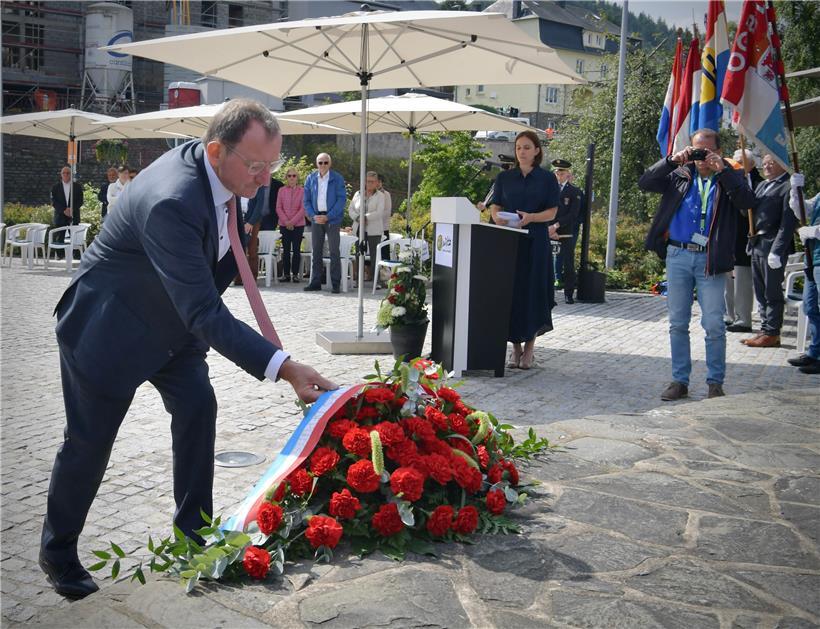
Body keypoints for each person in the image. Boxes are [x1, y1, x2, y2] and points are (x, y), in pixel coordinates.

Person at [39, 99, 336, 600]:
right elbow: (204, 309)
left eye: (273, 165)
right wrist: (283, 367)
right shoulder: (172, 199)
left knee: (199, 406)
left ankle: (193, 535)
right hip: (109, 330)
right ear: (216, 150)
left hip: (174, 329)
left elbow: (214, 270)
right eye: (257, 166)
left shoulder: (236, 177)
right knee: (90, 443)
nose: (265, 180)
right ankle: (58, 551)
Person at [640, 128, 755, 401]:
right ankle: (680, 380)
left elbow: (748, 201)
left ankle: (715, 382)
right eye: (696, 151)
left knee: (714, 323)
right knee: (677, 323)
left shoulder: (729, 177)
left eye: (706, 151)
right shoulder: (679, 175)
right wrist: (672, 160)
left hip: (710, 259)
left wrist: (724, 170)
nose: (701, 157)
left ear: (717, 151)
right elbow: (645, 182)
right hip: (678, 255)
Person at [489, 130, 559, 371]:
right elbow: (495, 206)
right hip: (510, 241)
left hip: (536, 240)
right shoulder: (504, 178)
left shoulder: (547, 179)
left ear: (537, 150)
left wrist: (532, 218)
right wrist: (497, 217)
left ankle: (529, 348)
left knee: (533, 293)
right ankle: (515, 348)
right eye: (518, 147)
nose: (522, 152)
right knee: (511, 293)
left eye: (527, 147)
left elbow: (552, 213)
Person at [740, 154, 797, 348]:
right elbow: (747, 211)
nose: (767, 167)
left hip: (772, 243)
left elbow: (788, 223)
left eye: (772, 163)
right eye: (764, 164)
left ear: (783, 165)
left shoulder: (789, 187)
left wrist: (778, 250)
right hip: (757, 243)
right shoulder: (762, 185)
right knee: (760, 290)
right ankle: (764, 329)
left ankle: (772, 332)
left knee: (772, 291)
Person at [724, 149, 763, 333]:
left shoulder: (759, 183)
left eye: (741, 160)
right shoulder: (727, 179)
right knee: (727, 279)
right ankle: (729, 315)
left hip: (746, 238)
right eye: (735, 160)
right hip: (728, 237)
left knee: (742, 280)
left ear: (751, 164)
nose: (736, 163)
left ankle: (743, 318)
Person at [786, 174, 820, 374]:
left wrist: (814, 231)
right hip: (812, 258)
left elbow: (810, 226)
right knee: (810, 306)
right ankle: (814, 352)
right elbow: (803, 211)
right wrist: (795, 191)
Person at [303, 152, 346, 293]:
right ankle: (315, 282)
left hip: (332, 219)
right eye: (320, 162)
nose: (323, 165)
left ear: (330, 164)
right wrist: (313, 215)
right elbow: (306, 200)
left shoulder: (337, 178)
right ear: (317, 164)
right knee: (316, 251)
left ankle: (335, 284)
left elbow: (341, 200)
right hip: (316, 219)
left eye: (325, 162)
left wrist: (328, 216)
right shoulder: (310, 178)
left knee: (334, 251)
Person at [548, 159, 583, 304]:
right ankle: (548, 295)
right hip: (549, 231)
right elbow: (545, 209)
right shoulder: (548, 190)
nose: (558, 174)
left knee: (568, 264)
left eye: (561, 172)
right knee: (547, 264)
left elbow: (573, 214)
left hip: (565, 232)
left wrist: (556, 226)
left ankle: (568, 294)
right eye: (556, 171)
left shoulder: (575, 192)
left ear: (567, 173)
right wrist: (550, 228)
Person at [349, 171, 388, 283]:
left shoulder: (381, 196)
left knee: (375, 256)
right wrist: (358, 218)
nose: (369, 184)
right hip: (359, 228)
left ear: (377, 183)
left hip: (374, 229)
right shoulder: (358, 194)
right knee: (359, 254)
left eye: (372, 182)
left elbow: (379, 212)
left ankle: (377, 281)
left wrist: (365, 217)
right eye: (367, 181)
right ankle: (358, 280)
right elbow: (351, 209)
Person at [244, 175, 284, 281]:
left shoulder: (259, 184)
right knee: (240, 250)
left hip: (257, 220)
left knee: (253, 250)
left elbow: (259, 205)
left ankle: (252, 278)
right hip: (240, 220)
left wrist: (250, 222)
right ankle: (238, 278)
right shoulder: (238, 183)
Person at [276, 168, 306, 282]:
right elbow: (278, 207)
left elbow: (303, 208)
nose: (292, 178)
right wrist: (286, 222)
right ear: (286, 178)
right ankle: (286, 274)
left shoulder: (303, 191)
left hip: (298, 225)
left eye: (294, 175)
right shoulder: (281, 190)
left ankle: (296, 274)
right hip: (284, 225)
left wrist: (292, 222)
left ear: (297, 178)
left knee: (297, 250)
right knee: (286, 250)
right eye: (289, 176)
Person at [50, 166, 83, 258]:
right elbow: (53, 201)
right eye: (64, 173)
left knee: (75, 236)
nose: (66, 175)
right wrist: (64, 210)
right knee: (60, 236)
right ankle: (60, 255)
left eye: (68, 173)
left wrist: (72, 209)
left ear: (71, 175)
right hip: (60, 215)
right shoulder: (55, 187)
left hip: (74, 214)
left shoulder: (77, 187)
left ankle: (76, 255)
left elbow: (80, 200)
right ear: (61, 175)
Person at [378, 173, 392, 239]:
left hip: (383, 228)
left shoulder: (386, 194)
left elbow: (387, 212)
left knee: (383, 249)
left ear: (381, 183)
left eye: (379, 182)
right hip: (370, 229)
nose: (377, 183)